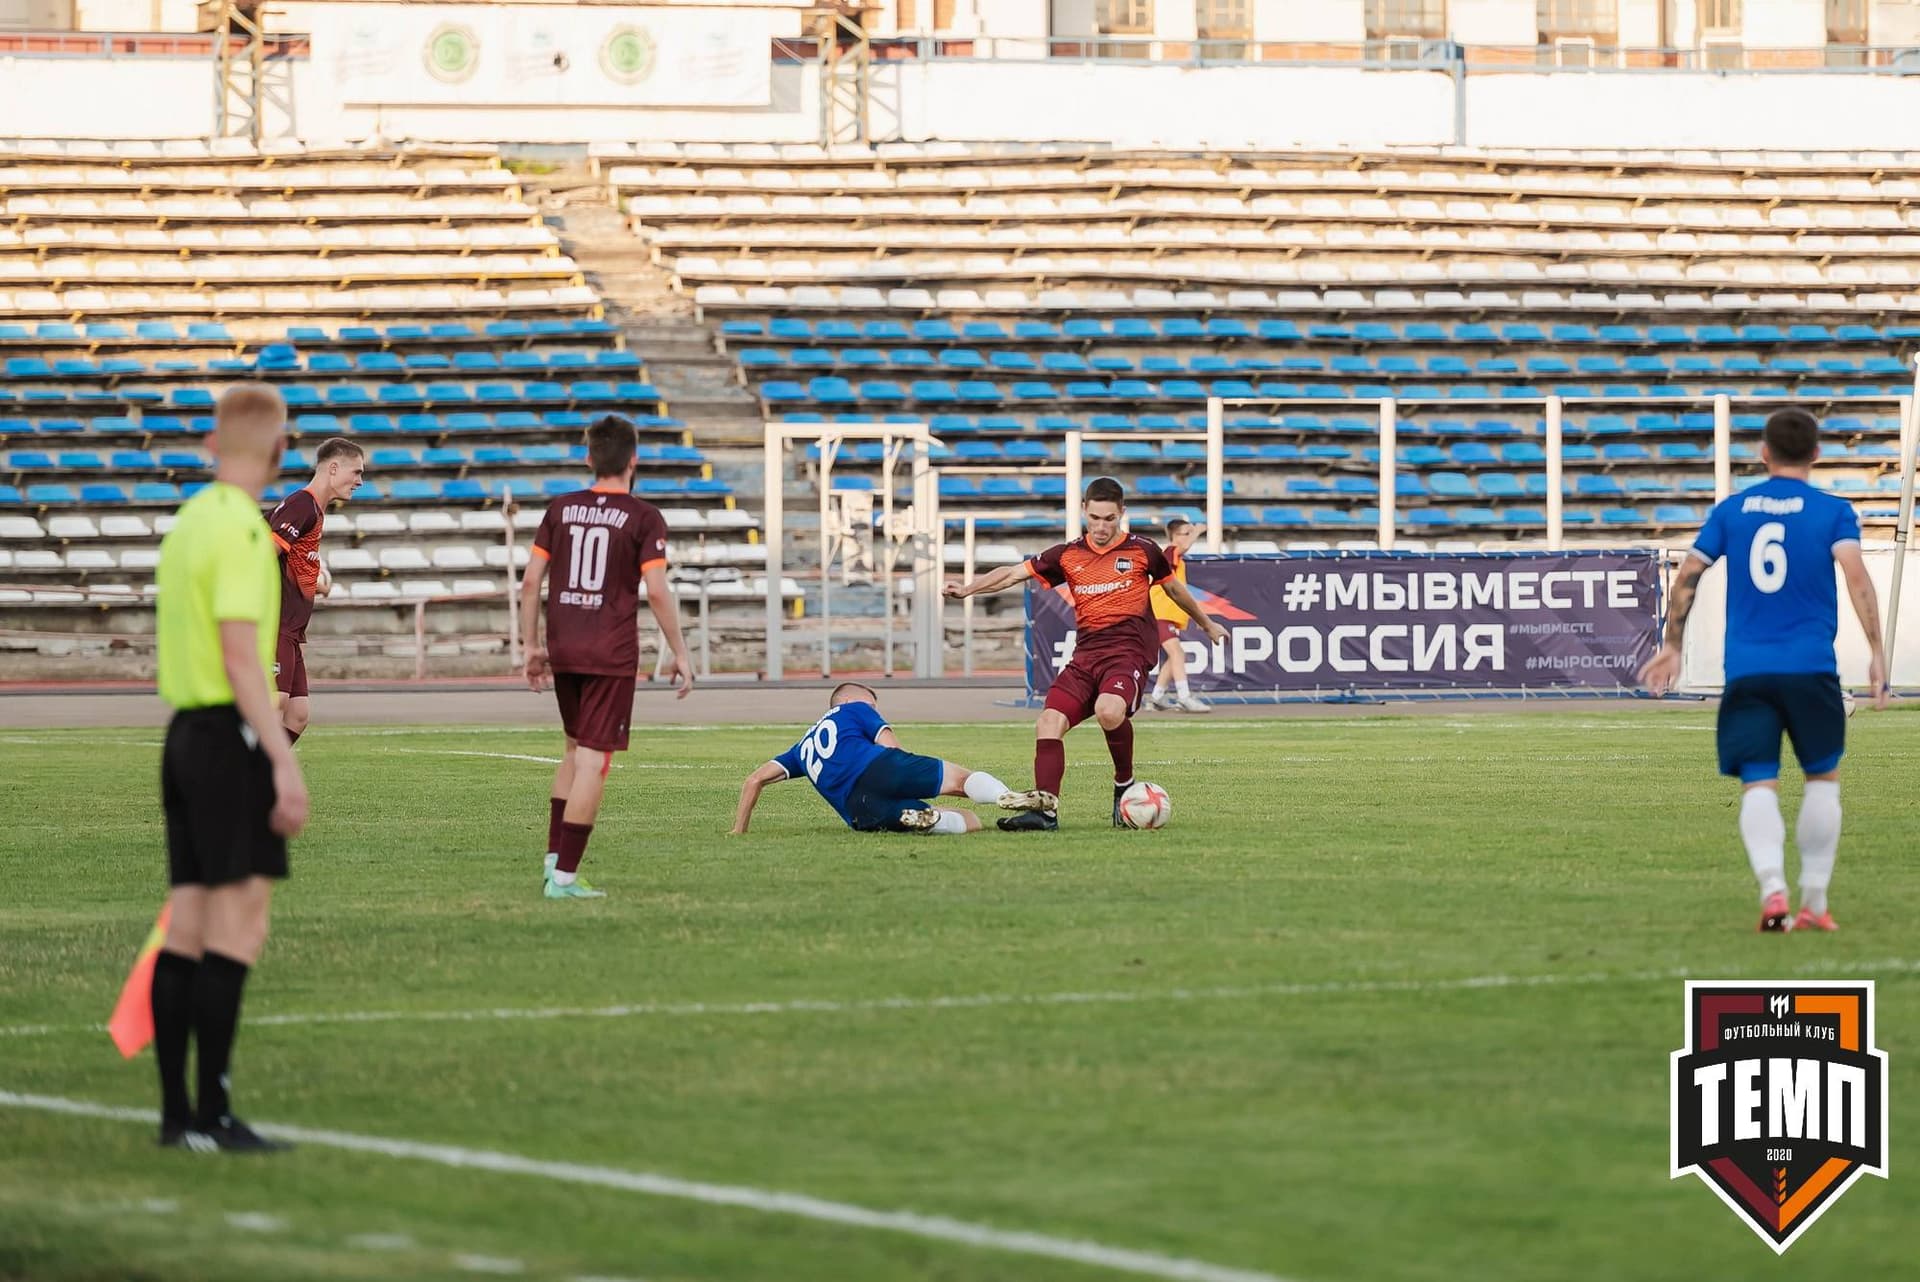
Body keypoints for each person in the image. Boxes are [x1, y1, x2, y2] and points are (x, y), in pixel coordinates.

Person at [1639, 407, 1889, 933]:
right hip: (1810, 667)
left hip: (1748, 671)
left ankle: (1773, 890)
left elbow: (1688, 574)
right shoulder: (1833, 511)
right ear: (1817, 454)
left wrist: (1672, 645)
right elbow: (1857, 578)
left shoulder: (1731, 511)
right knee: (1822, 778)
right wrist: (1876, 650)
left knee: (1759, 782)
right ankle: (1814, 903)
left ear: (1763, 453)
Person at [151, 383, 309, 1152]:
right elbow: (242, 658)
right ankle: (213, 1114)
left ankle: (176, 1118)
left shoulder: (186, 522)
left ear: (212, 442)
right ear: (280, 453)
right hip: (224, 739)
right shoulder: (246, 534)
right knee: (238, 928)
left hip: (181, 737)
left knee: (186, 925)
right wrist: (282, 760)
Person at [943, 477, 1228, 831]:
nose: (1102, 526)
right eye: (1095, 517)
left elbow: (1173, 589)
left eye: (1110, 518)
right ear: (1084, 511)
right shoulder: (1068, 554)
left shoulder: (1144, 550)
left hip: (1129, 653)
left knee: (1108, 710)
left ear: (1122, 513)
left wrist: (1206, 623)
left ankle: (1123, 784)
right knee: (1047, 722)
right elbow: (1013, 574)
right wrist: (968, 588)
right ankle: (1045, 813)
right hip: (1086, 656)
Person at [521, 414, 694, 899]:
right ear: (633, 460)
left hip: (563, 644)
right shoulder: (643, 516)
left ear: (589, 458)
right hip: (609, 651)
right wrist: (680, 652)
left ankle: (554, 861)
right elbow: (656, 591)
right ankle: (565, 878)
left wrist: (531, 646)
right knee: (595, 761)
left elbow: (532, 581)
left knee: (574, 749)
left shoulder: (561, 509)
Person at [730, 683, 1055, 835]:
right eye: (872, 705)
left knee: (968, 822)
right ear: (847, 701)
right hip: (880, 768)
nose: (874, 710)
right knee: (960, 780)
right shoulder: (854, 709)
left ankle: (927, 820)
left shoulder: (801, 748)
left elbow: (753, 780)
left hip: (858, 811)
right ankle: (1002, 795)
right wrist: (903, 773)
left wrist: (739, 831)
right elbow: (891, 748)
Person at [266, 437, 365, 745]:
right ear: (333, 468)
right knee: (273, 706)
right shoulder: (303, 504)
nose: (360, 481)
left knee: (297, 714)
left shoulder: (312, 511)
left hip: (291, 629)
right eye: (357, 472)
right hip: (275, 624)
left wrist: (315, 584)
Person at [1146, 516, 1212, 713]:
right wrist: (1198, 531)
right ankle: (1184, 696)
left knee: (1173, 657)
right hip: (1159, 613)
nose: (1190, 537)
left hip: (1167, 614)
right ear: (1175, 536)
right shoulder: (1170, 551)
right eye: (1187, 533)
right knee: (1177, 653)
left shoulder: (1176, 558)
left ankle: (1157, 696)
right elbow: (1181, 548)